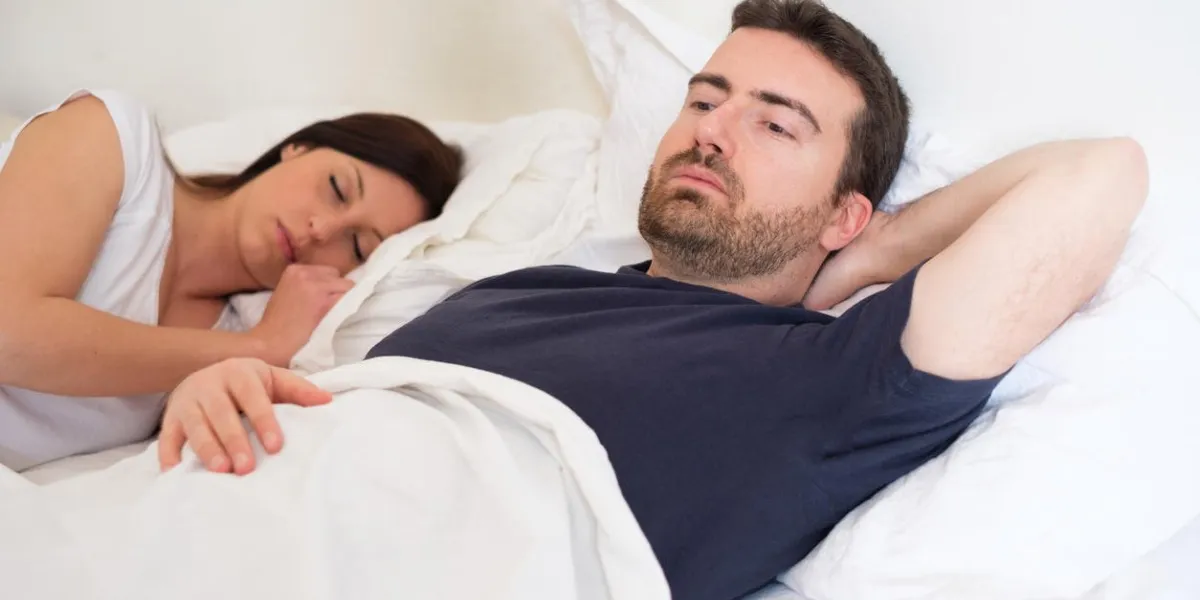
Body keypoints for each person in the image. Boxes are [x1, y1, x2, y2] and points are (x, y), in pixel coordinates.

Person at [155, 0, 1149, 598]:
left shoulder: (828, 381)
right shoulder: (520, 289)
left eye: (776, 123)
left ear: (845, 213)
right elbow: (328, 421)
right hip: (180, 515)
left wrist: (863, 263)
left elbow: (1101, 177)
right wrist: (236, 382)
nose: (713, 130)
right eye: (706, 98)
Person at [0, 89, 464, 471]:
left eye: (357, 245)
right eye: (337, 188)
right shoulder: (114, 140)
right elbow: (9, 332)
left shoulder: (235, 350)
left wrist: (257, 349)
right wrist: (261, 348)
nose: (321, 229)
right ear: (297, 148)